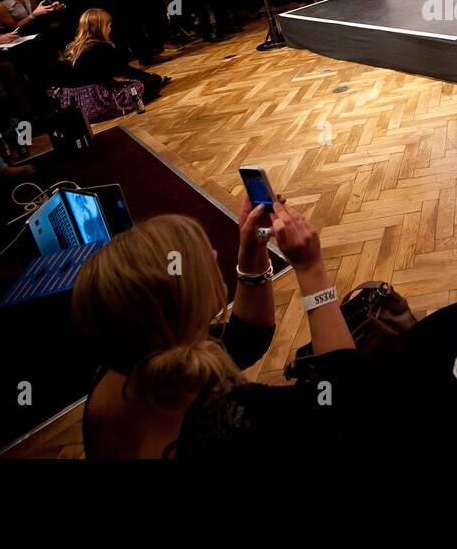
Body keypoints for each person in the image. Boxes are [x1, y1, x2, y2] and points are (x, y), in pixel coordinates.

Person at [72, 196, 360, 459]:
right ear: (180, 303)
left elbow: (246, 341)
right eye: (197, 258)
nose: (212, 253)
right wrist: (312, 270)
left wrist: (251, 249)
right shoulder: (228, 421)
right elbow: (341, 406)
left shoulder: (127, 361)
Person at [53, 8, 166, 121]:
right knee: (151, 82)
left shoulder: (74, 48)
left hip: (76, 105)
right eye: (109, 26)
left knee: (129, 84)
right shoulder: (101, 47)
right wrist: (151, 76)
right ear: (101, 27)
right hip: (98, 101)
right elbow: (124, 70)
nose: (110, 29)